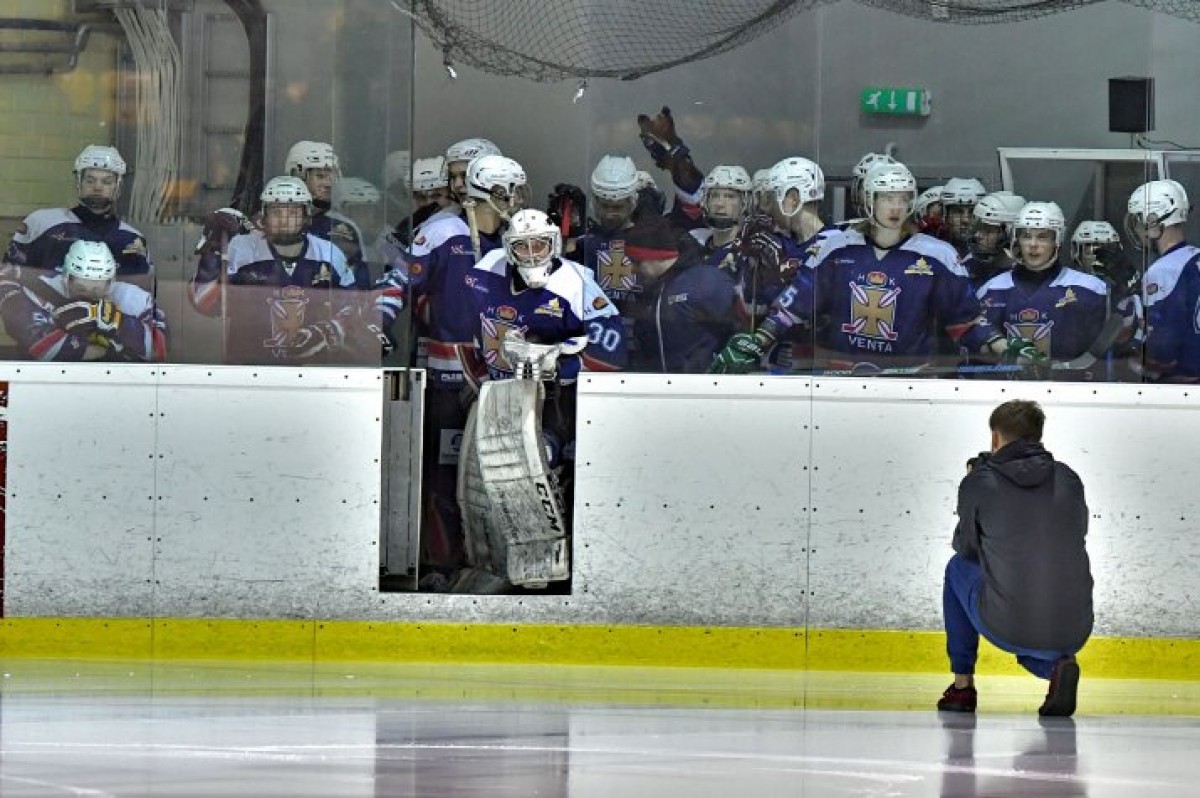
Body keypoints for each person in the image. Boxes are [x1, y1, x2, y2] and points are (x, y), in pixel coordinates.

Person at [710, 161, 1016, 375]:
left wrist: (1006, 348)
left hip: (909, 380)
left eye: (903, 199)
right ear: (869, 200)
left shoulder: (939, 256)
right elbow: (792, 307)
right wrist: (757, 341)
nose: (895, 207)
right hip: (840, 377)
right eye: (887, 198)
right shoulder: (836, 247)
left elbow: (966, 321)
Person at [938, 399, 1093, 717]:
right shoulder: (1069, 478)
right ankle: (1056, 669)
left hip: (1010, 624)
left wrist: (975, 482)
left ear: (995, 438)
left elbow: (966, 548)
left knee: (956, 568)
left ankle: (962, 686)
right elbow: (1076, 534)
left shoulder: (979, 483)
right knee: (1030, 643)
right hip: (1074, 627)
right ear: (1038, 435)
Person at [189, 176, 359, 365]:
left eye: (293, 212)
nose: (284, 221)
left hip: (312, 370)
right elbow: (204, 303)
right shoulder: (242, 248)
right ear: (264, 215)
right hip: (247, 368)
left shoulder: (328, 253)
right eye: (276, 212)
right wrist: (213, 249)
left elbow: (354, 307)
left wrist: (325, 332)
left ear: (306, 215)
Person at [976, 202, 1109, 378]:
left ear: (1057, 241)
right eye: (1026, 236)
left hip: (1069, 391)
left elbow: (1107, 352)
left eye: (1042, 237)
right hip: (1006, 391)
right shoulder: (991, 289)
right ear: (1016, 239)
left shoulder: (1090, 289)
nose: (1033, 244)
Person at [4, 145, 154, 290]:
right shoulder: (41, 224)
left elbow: (143, 297)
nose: (97, 187)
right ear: (78, 183)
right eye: (90, 180)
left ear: (118, 187)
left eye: (107, 182)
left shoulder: (132, 240)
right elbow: (9, 279)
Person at [0, 239, 166, 361]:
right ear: (66, 278)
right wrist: (113, 348)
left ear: (111, 282)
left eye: (97, 289)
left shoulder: (133, 298)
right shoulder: (36, 291)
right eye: (81, 289)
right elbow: (47, 349)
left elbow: (159, 350)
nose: (89, 296)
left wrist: (120, 323)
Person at [622, 218, 737, 373]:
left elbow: (737, 331)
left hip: (704, 383)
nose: (632, 269)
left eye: (636, 262)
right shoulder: (651, 290)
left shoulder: (704, 281)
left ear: (656, 256)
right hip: (661, 382)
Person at [1126, 179, 1200, 382]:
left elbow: (1161, 352)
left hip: (1180, 385)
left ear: (1152, 220)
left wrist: (1126, 360)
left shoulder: (1163, 271)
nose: (1137, 229)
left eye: (1138, 221)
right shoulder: (1193, 259)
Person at [284, 140, 370, 288]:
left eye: (331, 177)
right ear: (297, 176)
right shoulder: (275, 222)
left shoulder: (345, 228)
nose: (328, 184)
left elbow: (359, 286)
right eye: (320, 176)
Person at [961, 191, 1025, 291]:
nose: (977, 235)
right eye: (977, 228)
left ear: (1011, 233)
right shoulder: (969, 264)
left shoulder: (1022, 277)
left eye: (988, 230)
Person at [941, 177, 988, 256]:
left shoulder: (994, 257)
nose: (965, 220)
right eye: (958, 212)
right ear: (946, 216)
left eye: (972, 212)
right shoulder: (933, 253)